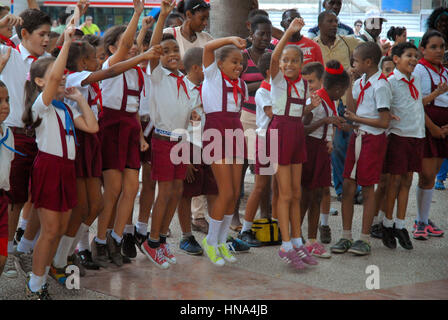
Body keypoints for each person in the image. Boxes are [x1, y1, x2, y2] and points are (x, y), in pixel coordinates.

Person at [22, 25, 98, 299]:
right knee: (50, 230)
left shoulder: (66, 107)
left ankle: (42, 274)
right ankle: (35, 283)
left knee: (59, 228)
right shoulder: (40, 106)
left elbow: (92, 127)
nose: (62, 79)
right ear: (41, 82)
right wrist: (66, 42)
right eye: (56, 77)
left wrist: (80, 99)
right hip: (50, 167)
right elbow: (54, 76)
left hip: (67, 169)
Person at [142, 0, 200, 269]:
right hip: (163, 141)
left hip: (181, 142)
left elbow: (187, 116)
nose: (171, 54)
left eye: (174, 49)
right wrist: (163, 14)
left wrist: (193, 116)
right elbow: (153, 51)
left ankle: (162, 240)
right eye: (165, 51)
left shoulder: (186, 83)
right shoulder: (156, 74)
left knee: (176, 192)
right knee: (164, 194)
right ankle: (151, 242)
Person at [92, 0, 149, 268]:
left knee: (131, 188)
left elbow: (135, 109)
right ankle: (99, 241)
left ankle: (115, 237)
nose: (134, 47)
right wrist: (136, 14)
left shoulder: (137, 73)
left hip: (129, 129)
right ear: (112, 49)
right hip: (111, 128)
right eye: (127, 43)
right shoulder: (111, 64)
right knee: (112, 189)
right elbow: (127, 47)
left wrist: (140, 136)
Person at [0, 8, 52, 278]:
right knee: (14, 197)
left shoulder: (49, 61)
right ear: (24, 35)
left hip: (42, 135)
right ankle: (6, 252)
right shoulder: (9, 55)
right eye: (41, 35)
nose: (46, 40)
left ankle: (25, 245)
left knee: (40, 195)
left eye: (48, 34)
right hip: (16, 133)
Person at [331, 42, 391, 255]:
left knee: (367, 188)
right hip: (357, 137)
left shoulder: (381, 85)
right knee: (347, 185)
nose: (352, 64)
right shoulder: (360, 82)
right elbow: (351, 110)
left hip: (373, 140)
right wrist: (349, 83)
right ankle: (346, 235)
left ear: (368, 62)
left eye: (355, 60)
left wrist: (358, 119)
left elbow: (384, 122)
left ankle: (364, 238)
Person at [270, 17, 320, 270]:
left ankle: (298, 241)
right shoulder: (278, 80)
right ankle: (285, 245)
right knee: (285, 193)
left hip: (296, 133)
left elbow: (298, 113)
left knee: (297, 193)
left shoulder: (303, 83)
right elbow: (274, 56)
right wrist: (289, 32)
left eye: (294, 60)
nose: (289, 64)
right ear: (279, 64)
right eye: (285, 60)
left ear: (302, 64)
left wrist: (311, 106)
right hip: (279, 133)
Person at [163, 0, 213, 235]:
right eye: (201, 18)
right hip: (172, 105)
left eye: (207, 19)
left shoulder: (207, 40)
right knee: (172, 173)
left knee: (196, 171)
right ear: (188, 14)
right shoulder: (168, 34)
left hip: (197, 108)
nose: (204, 23)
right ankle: (163, 218)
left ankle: (198, 216)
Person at [200, 32, 248, 266]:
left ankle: (221, 241)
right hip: (215, 131)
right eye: (234, 62)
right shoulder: (212, 77)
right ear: (220, 64)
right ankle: (210, 241)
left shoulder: (242, 85)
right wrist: (230, 39)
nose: (238, 66)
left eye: (240, 63)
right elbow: (208, 47)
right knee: (226, 191)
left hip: (235, 131)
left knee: (235, 192)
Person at [314, 10, 363, 202]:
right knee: (333, 147)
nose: (334, 24)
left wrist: (354, 69)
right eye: (330, 21)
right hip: (323, 102)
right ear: (320, 24)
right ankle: (340, 189)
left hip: (344, 101)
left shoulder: (347, 42)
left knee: (347, 146)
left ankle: (349, 189)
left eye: (336, 21)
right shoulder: (313, 44)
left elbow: (368, 50)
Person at [381, 42, 425, 251]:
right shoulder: (390, 82)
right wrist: (387, 114)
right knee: (394, 180)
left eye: (416, 56)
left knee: (408, 179)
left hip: (417, 134)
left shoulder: (416, 78)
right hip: (398, 135)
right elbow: (381, 106)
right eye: (409, 55)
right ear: (396, 59)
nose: (414, 60)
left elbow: (418, 103)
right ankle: (387, 224)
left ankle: (400, 224)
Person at [301, 61, 347, 257]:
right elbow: (302, 129)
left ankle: (311, 240)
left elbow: (330, 125)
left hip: (321, 150)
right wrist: (326, 121)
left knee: (318, 195)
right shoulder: (317, 100)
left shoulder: (330, 100)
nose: (341, 95)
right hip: (310, 149)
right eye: (342, 91)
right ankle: (297, 238)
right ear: (337, 88)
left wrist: (333, 132)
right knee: (306, 196)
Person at [233, 14, 273, 231]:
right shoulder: (242, 56)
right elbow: (239, 87)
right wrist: (264, 83)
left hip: (268, 117)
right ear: (252, 35)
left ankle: (265, 214)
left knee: (264, 169)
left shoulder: (273, 57)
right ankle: (234, 217)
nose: (266, 38)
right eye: (261, 34)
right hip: (246, 116)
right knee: (240, 168)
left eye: (269, 34)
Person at [177, 46, 216, 255]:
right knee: (185, 193)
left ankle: (217, 235)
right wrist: (183, 156)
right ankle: (186, 236)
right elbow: (178, 123)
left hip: (207, 144)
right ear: (196, 67)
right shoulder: (180, 89)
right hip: (189, 145)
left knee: (213, 190)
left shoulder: (208, 86)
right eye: (207, 65)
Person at [413, 30, 448, 240]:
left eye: (442, 46)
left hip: (444, 128)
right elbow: (417, 103)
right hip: (427, 126)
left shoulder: (445, 72)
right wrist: (433, 127)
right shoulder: (419, 70)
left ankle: (424, 219)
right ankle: (420, 221)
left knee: (432, 175)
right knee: (425, 176)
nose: (439, 51)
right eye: (433, 47)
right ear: (422, 49)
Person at [238, 51, 273, 247]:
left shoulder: (280, 87)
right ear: (270, 70)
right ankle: (245, 230)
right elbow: (272, 113)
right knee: (260, 186)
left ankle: (277, 226)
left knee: (279, 187)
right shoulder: (263, 90)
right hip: (266, 139)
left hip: (279, 138)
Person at [0, 80, 17, 278]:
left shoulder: (8, 133)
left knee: (2, 258)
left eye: (7, 100)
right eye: (0, 101)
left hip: (2, 199)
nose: (5, 105)